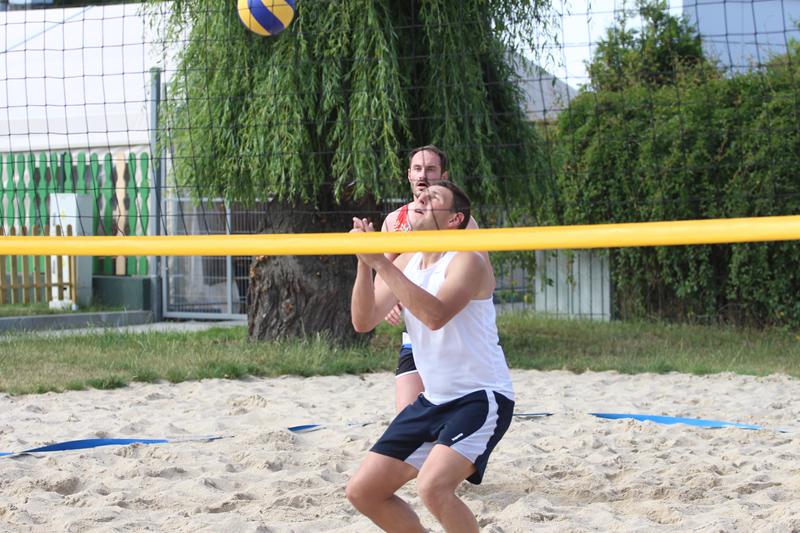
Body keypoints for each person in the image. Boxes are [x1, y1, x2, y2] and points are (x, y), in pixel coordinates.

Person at [347, 181, 514, 533]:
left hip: (479, 397)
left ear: (454, 219)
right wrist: (364, 264)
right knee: (363, 492)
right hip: (433, 401)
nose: (421, 196)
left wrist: (381, 264)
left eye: (433, 197)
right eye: (420, 195)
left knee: (432, 487)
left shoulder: (468, 260)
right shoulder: (407, 260)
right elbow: (363, 321)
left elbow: (435, 316)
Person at [382, 145, 488, 412]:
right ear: (409, 174)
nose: (422, 175)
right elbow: (384, 275)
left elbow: (482, 277)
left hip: (456, 333)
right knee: (406, 418)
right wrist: (390, 303)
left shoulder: (462, 222)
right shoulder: (394, 221)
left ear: (443, 175)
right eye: (417, 169)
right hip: (416, 335)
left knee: (457, 415)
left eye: (430, 169)